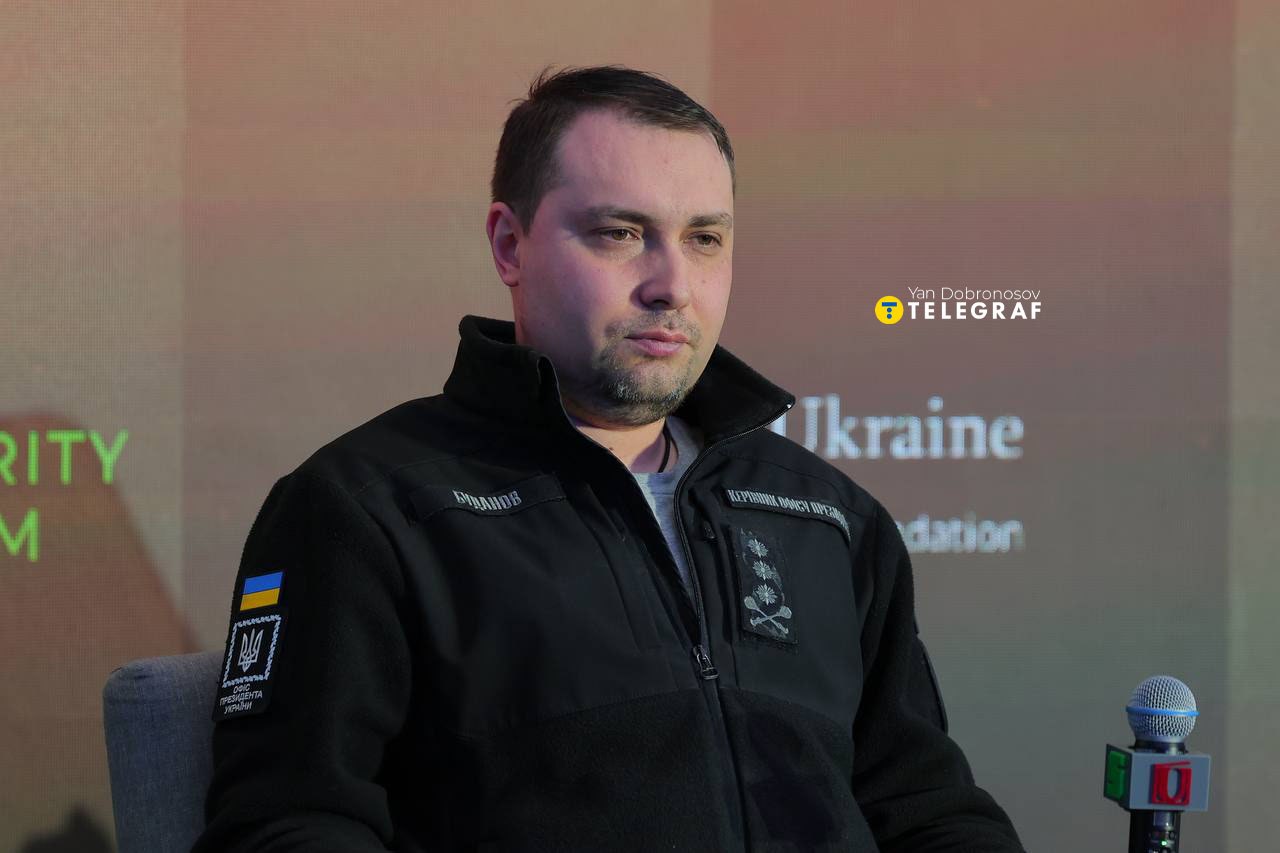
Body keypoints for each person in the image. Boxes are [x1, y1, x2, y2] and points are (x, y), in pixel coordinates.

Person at [195, 65, 1024, 852]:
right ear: (509, 245)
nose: (673, 284)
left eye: (705, 238)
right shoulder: (367, 508)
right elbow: (288, 825)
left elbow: (926, 807)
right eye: (621, 233)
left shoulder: (830, 516)